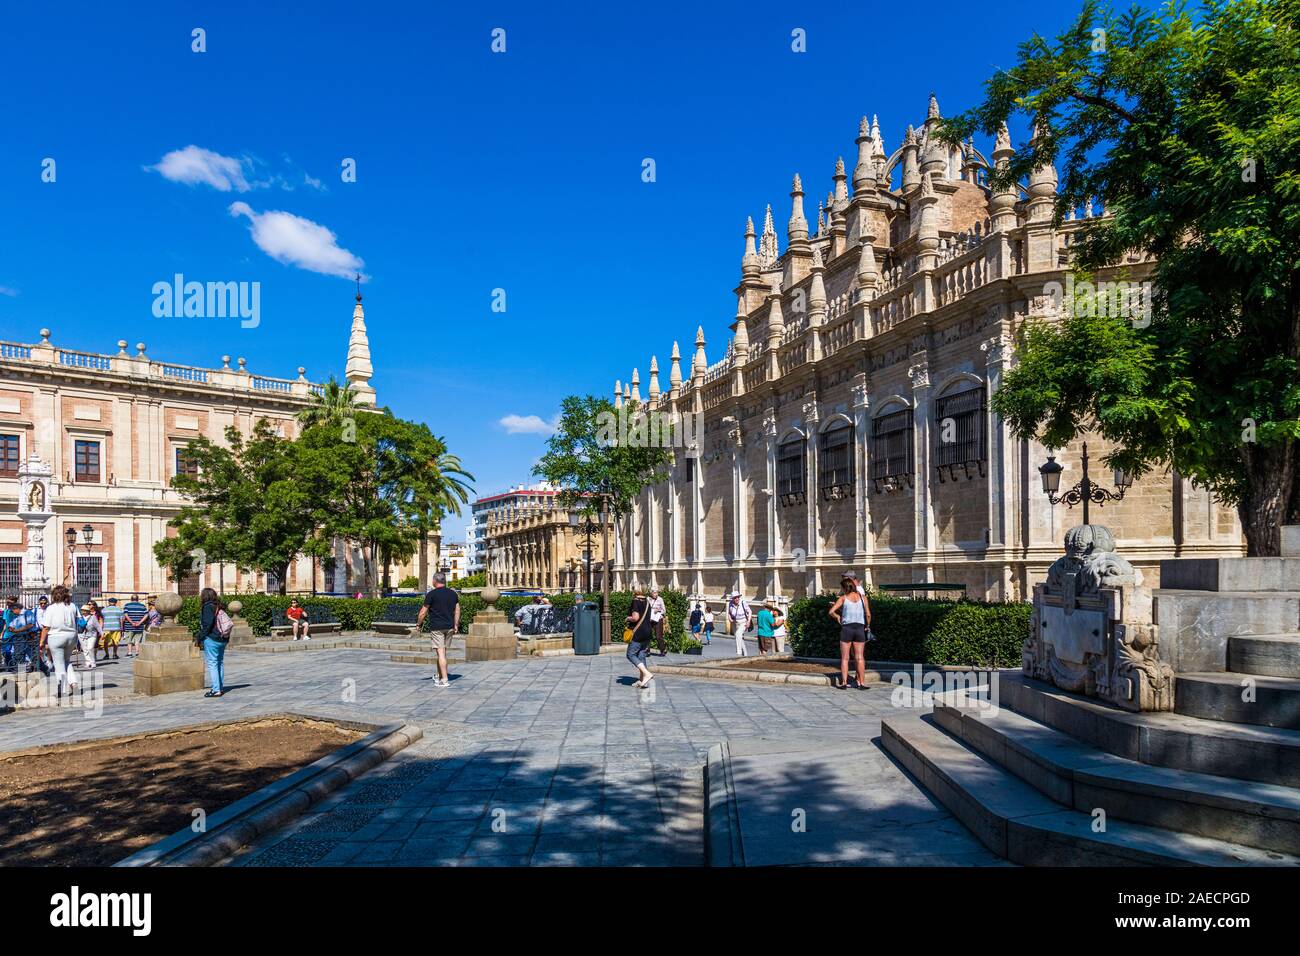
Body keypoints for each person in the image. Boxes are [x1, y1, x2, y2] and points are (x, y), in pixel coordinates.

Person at [416, 572, 459, 688]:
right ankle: (439, 675)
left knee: (440, 653)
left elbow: (423, 612)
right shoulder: (453, 594)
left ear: (435, 581)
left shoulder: (432, 594)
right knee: (443, 653)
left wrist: (418, 624)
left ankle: (444, 680)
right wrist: (456, 625)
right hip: (449, 627)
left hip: (437, 628)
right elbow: (457, 611)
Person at [829, 575, 871, 690]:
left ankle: (843, 682)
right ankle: (861, 683)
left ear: (844, 588)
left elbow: (831, 611)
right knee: (859, 657)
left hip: (847, 628)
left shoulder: (843, 598)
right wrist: (867, 625)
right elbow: (868, 614)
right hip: (859, 628)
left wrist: (838, 617)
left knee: (845, 658)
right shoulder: (863, 598)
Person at [40, 585, 80, 696]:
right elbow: (77, 619)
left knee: (58, 664)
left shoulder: (51, 608)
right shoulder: (72, 606)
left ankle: (62, 689)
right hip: (71, 636)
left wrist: (42, 642)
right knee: (66, 661)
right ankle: (73, 683)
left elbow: (46, 627)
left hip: (56, 636)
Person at [197, 587, 228, 698]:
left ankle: (216, 690)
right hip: (223, 639)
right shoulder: (219, 606)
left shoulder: (207, 607)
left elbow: (207, 625)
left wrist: (199, 637)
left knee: (213, 664)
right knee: (219, 662)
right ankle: (220, 687)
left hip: (212, 638)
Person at [624, 585, 655, 688]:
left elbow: (635, 617)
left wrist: (628, 618)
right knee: (641, 654)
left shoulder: (635, 601)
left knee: (630, 654)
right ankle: (642, 680)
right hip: (647, 632)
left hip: (638, 633)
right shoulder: (647, 602)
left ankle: (646, 673)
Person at [78, 601, 103, 669]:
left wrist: (102, 634)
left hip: (92, 634)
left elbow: (98, 626)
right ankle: (88, 662)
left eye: (85, 610)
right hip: (81, 635)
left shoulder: (93, 617)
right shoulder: (80, 618)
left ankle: (93, 662)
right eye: (82, 610)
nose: (83, 612)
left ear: (88, 611)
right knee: (85, 649)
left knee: (90, 648)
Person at [727, 591, 752, 657]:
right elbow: (729, 612)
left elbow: (749, 611)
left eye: (738, 597)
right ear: (732, 598)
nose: (737, 599)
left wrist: (748, 621)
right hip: (735, 622)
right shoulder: (730, 603)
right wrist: (729, 618)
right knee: (739, 637)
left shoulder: (743, 603)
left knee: (738, 634)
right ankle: (745, 653)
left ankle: (739, 653)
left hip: (744, 622)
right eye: (735, 598)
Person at [100, 597, 124, 661]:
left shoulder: (104, 610)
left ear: (109, 602)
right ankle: (115, 654)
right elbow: (121, 620)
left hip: (106, 628)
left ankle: (107, 654)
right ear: (116, 603)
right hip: (116, 627)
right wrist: (122, 629)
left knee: (106, 642)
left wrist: (101, 628)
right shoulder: (119, 610)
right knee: (115, 642)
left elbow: (101, 619)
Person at [648, 588, 667, 656]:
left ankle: (663, 649)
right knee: (648, 635)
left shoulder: (660, 599)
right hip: (650, 619)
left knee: (659, 636)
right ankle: (647, 651)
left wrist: (658, 610)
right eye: (654, 593)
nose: (656, 594)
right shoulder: (648, 599)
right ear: (651, 593)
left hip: (658, 619)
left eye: (656, 593)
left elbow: (664, 610)